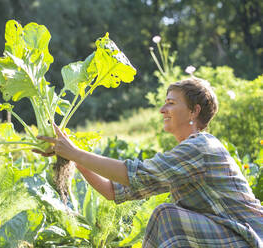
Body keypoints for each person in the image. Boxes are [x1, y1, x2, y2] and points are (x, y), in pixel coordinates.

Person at [35, 77, 263, 247]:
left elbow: (132, 174)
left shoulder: (200, 148)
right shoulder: (185, 154)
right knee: (169, 218)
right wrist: (73, 158)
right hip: (231, 238)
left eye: (171, 103)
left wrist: (75, 152)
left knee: (166, 216)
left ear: (194, 111)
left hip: (249, 238)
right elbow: (112, 191)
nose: (163, 109)